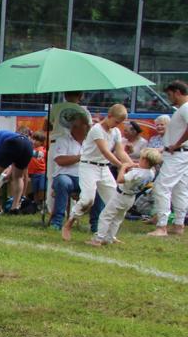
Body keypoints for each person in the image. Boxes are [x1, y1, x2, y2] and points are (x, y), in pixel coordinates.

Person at [63, 104, 133, 241]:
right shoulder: (97, 130)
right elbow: (105, 151)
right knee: (88, 199)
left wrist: (131, 164)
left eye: (120, 123)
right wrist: (121, 165)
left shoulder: (116, 132)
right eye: (116, 122)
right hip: (88, 167)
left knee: (115, 201)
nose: (117, 125)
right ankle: (68, 224)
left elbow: (120, 151)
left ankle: (110, 235)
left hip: (104, 168)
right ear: (109, 116)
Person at [90, 148, 162, 246]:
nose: (139, 160)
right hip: (131, 198)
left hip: (121, 195)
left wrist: (123, 167)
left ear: (145, 160)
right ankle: (109, 238)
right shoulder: (151, 173)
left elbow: (120, 179)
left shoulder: (136, 173)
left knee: (105, 216)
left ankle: (98, 239)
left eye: (140, 159)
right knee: (118, 218)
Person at [147, 80, 188, 237]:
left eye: (170, 95)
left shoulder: (184, 108)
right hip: (181, 153)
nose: (169, 98)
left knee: (161, 186)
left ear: (177, 92)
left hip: (178, 153)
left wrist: (177, 143)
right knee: (180, 189)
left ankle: (162, 226)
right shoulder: (183, 109)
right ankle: (178, 225)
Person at [48, 107, 97, 230]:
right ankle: (57, 222)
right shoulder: (63, 140)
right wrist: (81, 157)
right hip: (67, 176)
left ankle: (96, 225)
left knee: (100, 185)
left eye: (76, 126)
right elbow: (60, 160)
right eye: (73, 126)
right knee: (63, 181)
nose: (72, 128)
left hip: (86, 178)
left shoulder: (92, 142)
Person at [0, 127, 33, 215]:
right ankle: (15, 208)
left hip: (13, 143)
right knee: (18, 176)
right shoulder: (1, 135)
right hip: (27, 144)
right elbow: (13, 158)